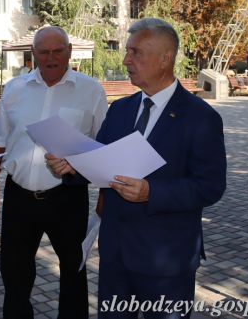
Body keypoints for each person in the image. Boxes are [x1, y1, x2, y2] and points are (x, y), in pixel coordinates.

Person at [47, 18, 227, 319]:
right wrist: (72, 166)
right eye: (127, 51)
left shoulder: (200, 117)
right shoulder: (121, 109)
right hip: (115, 254)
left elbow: (210, 185)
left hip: (165, 259)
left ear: (165, 58)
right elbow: (100, 160)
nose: (126, 60)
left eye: (136, 52)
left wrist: (151, 192)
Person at [0, 26, 107, 318]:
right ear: (33, 54)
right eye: (43, 52)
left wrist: (104, 197)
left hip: (68, 197)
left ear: (69, 52)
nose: (51, 58)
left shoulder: (91, 90)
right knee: (14, 273)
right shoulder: (15, 88)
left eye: (58, 51)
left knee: (73, 272)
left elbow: (104, 148)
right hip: (19, 197)